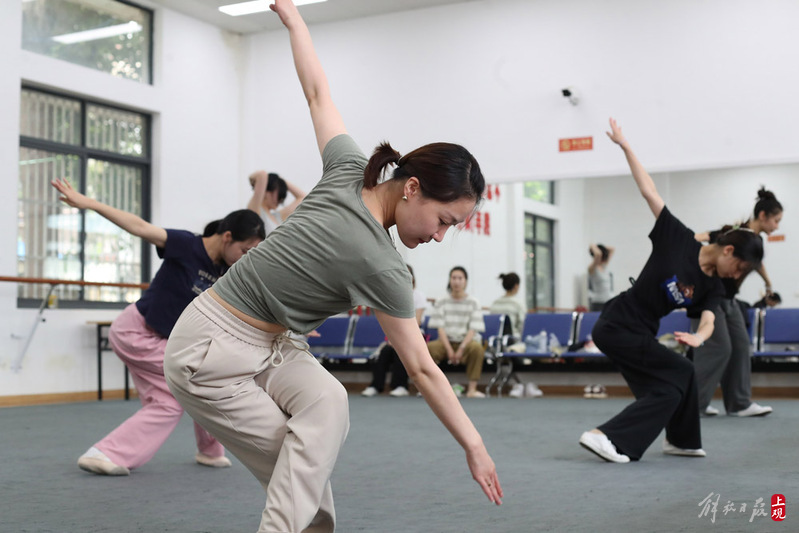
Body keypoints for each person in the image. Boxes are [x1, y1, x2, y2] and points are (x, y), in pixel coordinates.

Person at [163, 1, 502, 531]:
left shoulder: (349, 168)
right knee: (297, 466)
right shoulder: (382, 263)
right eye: (442, 220)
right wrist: (475, 445)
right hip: (211, 351)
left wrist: (295, 21)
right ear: (412, 188)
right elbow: (420, 369)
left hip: (273, 345)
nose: (439, 237)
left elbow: (319, 93)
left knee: (328, 405)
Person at [50, 178, 265, 476]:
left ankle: (205, 450)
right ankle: (111, 452)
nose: (248, 258)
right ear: (227, 237)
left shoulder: (228, 268)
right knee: (200, 379)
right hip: (135, 332)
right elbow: (139, 227)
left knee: (174, 396)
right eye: (246, 250)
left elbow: (249, 222)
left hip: (168, 342)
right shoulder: (187, 245)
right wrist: (89, 203)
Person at [579, 118, 764, 464]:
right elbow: (649, 190)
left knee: (668, 385)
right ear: (728, 252)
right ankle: (605, 436)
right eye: (739, 268)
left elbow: (708, 318)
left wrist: (701, 337)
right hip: (619, 321)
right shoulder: (678, 237)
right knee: (679, 375)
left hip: (641, 332)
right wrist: (625, 145)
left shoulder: (713, 285)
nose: (737, 276)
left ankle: (682, 440)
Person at [692, 187, 783, 417]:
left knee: (741, 346)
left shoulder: (754, 242)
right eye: (776, 220)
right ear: (763, 216)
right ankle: (694, 404)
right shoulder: (735, 234)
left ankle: (739, 403)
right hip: (711, 298)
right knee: (718, 348)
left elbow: (756, 263)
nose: (777, 226)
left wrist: (768, 283)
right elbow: (699, 238)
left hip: (729, 299)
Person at [361, 264, 427, 397]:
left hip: (414, 336)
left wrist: (399, 338)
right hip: (394, 335)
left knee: (401, 351)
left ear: (412, 278)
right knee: (384, 352)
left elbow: (417, 321)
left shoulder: (418, 296)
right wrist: (393, 338)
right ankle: (376, 386)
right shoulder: (392, 296)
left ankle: (401, 386)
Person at [426, 266, 487, 399]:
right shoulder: (441, 301)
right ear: (450, 280)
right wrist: (449, 349)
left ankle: (472, 389)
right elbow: (440, 328)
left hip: (466, 342)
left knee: (477, 348)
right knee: (426, 349)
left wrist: (461, 349)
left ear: (465, 281)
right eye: (454, 278)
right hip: (445, 342)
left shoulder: (473, 302)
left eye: (460, 278)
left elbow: (473, 329)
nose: (456, 281)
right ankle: (430, 389)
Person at [247, 170, 307, 235]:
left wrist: (281, 180)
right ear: (266, 192)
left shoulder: (277, 217)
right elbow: (261, 174)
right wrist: (275, 179)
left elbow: (304, 198)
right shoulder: (256, 210)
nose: (280, 200)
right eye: (279, 195)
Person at [489, 272, 525, 338]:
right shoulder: (518, 303)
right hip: (512, 338)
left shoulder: (495, 303)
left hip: (495, 338)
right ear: (516, 286)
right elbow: (523, 325)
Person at [588, 243, 615, 311]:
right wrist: (593, 246)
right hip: (598, 302)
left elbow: (612, 249)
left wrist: (601, 248)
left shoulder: (604, 267)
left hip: (609, 301)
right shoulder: (592, 268)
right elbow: (598, 254)